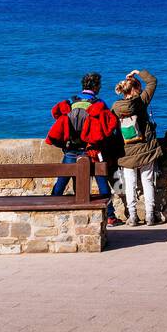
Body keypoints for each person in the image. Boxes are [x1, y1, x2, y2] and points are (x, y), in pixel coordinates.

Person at [46, 72, 120, 225]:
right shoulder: (99, 104)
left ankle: (49, 210)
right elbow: (107, 128)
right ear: (96, 86)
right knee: (102, 182)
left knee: (61, 181)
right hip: (92, 150)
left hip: (71, 150)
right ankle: (110, 216)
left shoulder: (70, 102)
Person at [112, 69, 159, 226]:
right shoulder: (140, 102)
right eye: (138, 87)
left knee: (130, 184)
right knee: (147, 182)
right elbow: (152, 82)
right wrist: (138, 72)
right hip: (145, 149)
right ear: (134, 89)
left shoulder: (116, 107)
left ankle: (132, 217)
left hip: (127, 151)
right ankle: (150, 216)